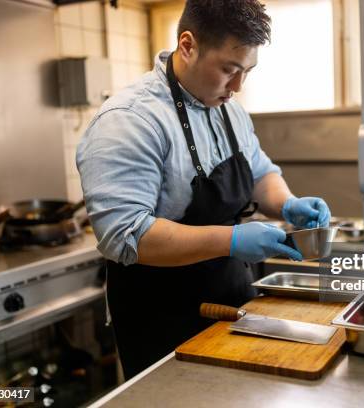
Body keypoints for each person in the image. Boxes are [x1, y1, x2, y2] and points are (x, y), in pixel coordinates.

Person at [76, 0, 332, 379]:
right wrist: (229, 240)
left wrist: (288, 203)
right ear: (187, 45)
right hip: (161, 320)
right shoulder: (129, 121)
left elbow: (260, 173)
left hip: (230, 302)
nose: (238, 87)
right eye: (229, 70)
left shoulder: (229, 108)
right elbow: (125, 237)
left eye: (247, 71)